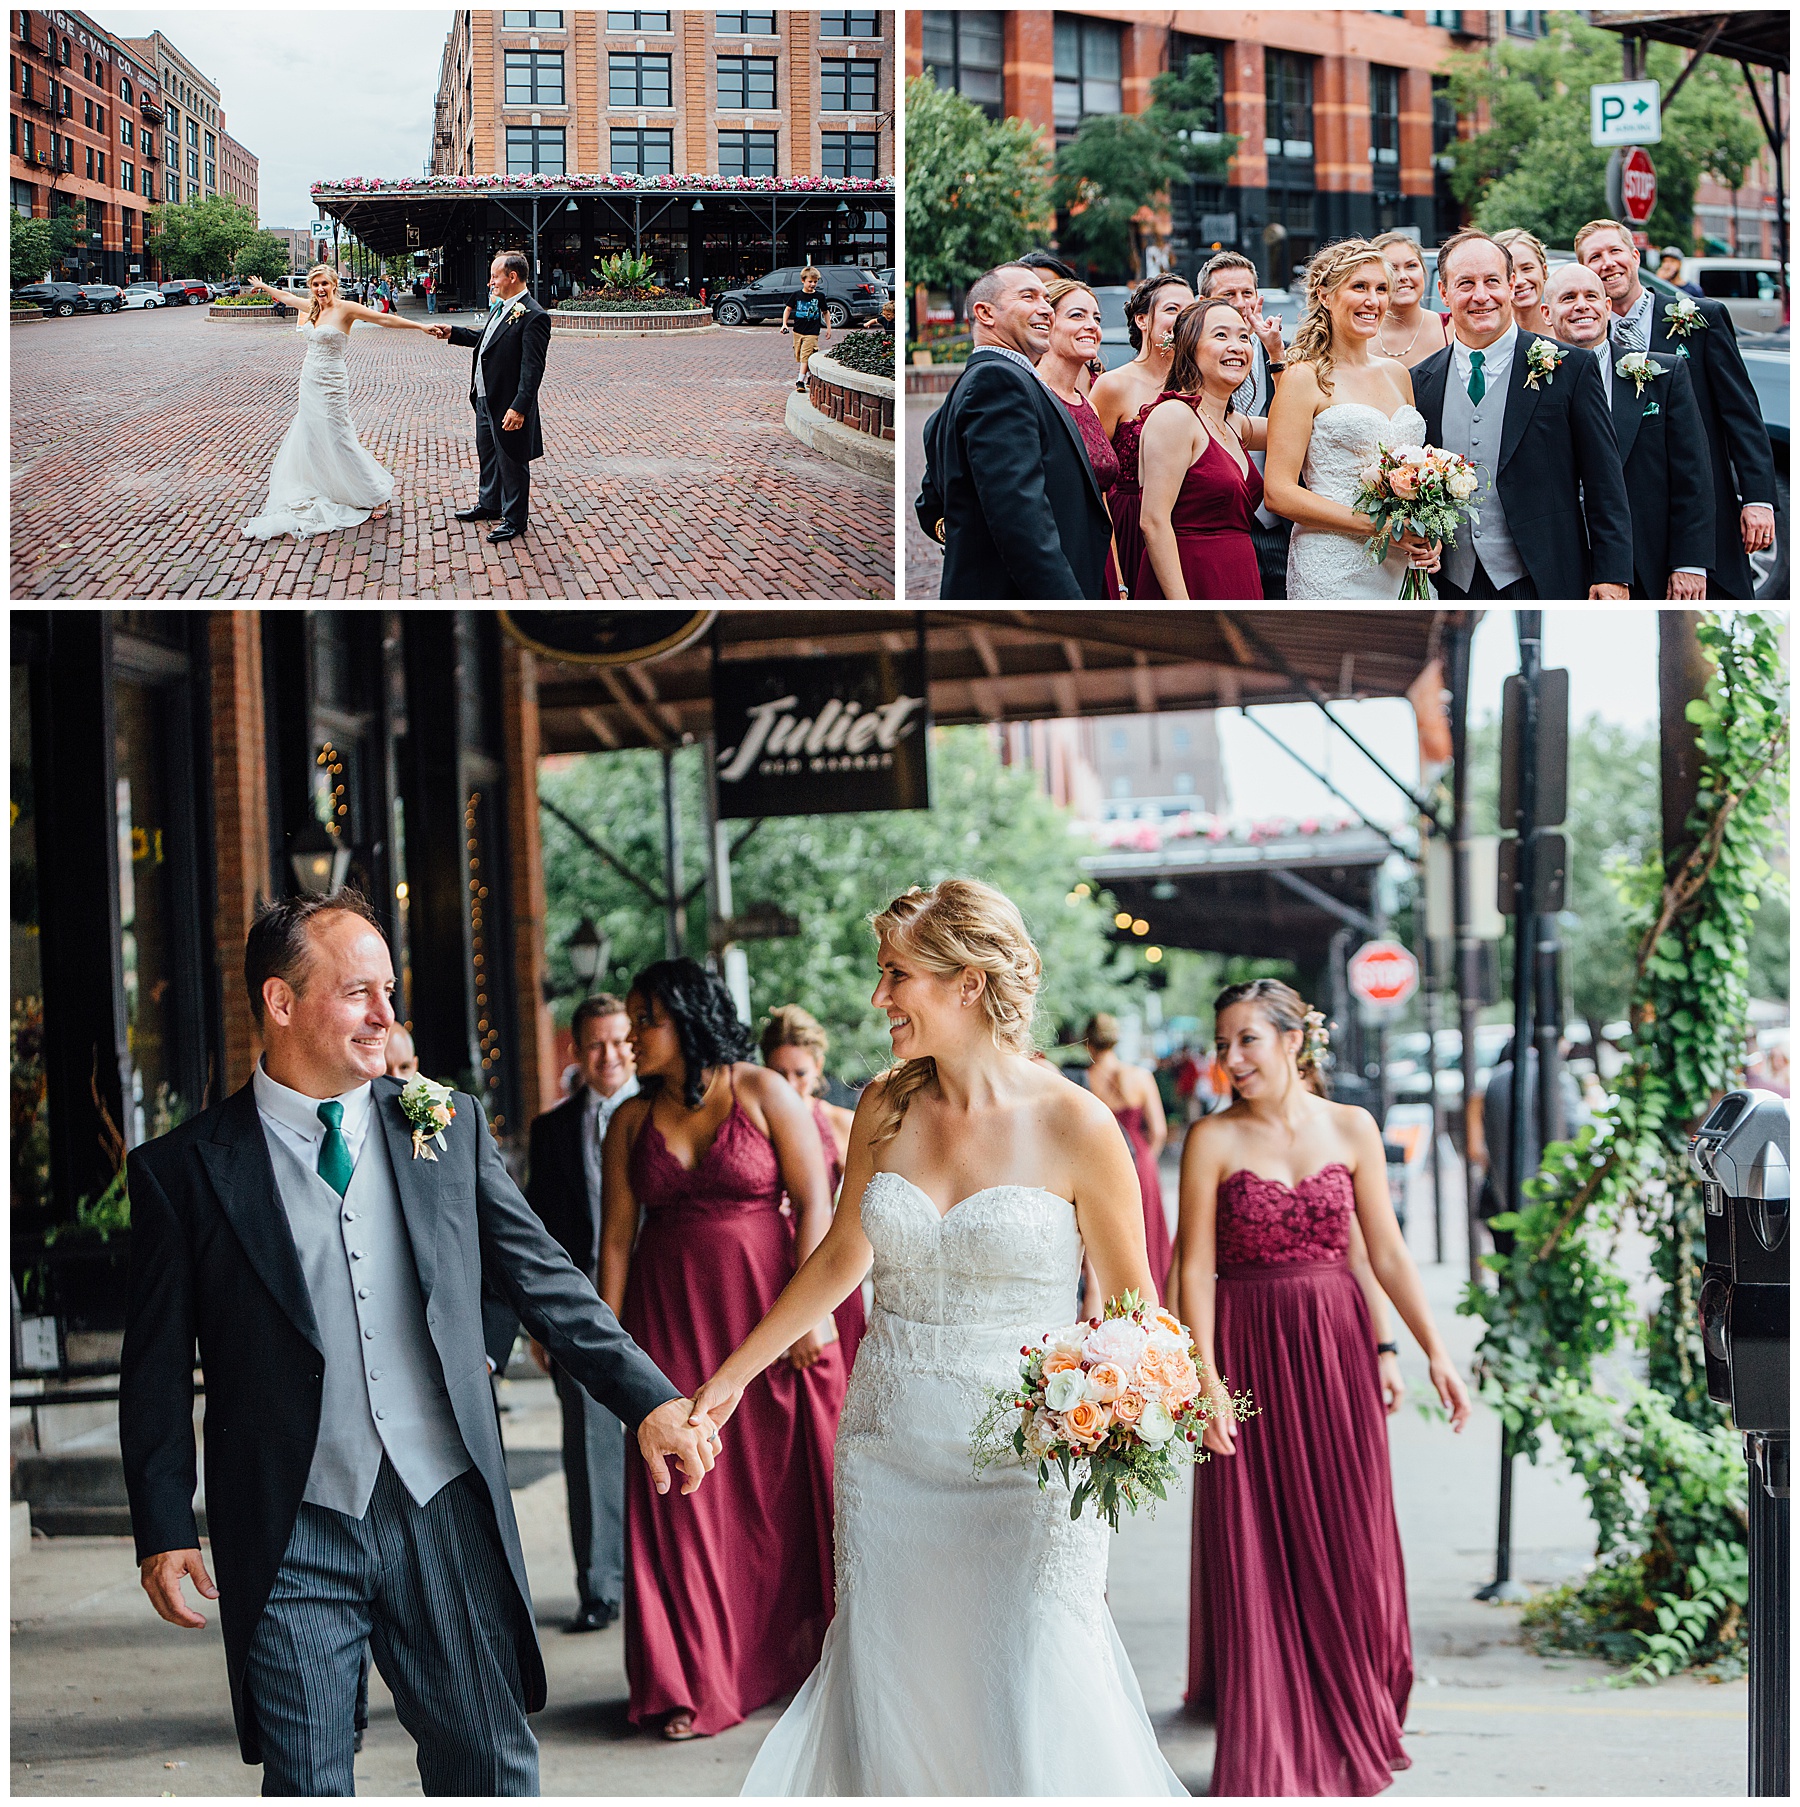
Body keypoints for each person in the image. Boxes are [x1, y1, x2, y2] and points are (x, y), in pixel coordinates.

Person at [118, 892, 717, 1797]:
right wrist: (162, 1524)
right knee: (309, 1780)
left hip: (443, 1505)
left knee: (489, 1765)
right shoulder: (184, 1170)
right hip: (292, 1522)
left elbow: (545, 1278)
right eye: (360, 992)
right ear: (281, 1003)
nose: (388, 1017)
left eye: (389, 991)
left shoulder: (443, 1123)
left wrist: (653, 1398)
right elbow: (155, 1364)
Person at [690, 879, 1185, 1795]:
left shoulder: (1078, 1123)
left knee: (1029, 1683)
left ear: (966, 981)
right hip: (889, 1451)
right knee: (898, 1689)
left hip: (1027, 1468)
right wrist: (729, 1379)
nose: (880, 998)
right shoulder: (884, 1106)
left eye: (897, 974)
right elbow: (841, 1257)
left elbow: (1133, 1317)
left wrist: (1119, 1416)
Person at [1171, 979, 1470, 1796]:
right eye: (1223, 1043)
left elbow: (1388, 1252)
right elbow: (1191, 1266)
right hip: (1247, 1350)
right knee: (1257, 1535)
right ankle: (1269, 1721)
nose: (1230, 1060)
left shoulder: (1355, 1127)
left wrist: (1426, 1349)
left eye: (1247, 1041)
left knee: (1347, 1530)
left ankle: (1350, 1703)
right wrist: (1203, 1381)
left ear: (1294, 1041)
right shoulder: (1211, 1139)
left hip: (1335, 1350)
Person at [600, 959, 846, 1742]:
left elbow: (815, 1204)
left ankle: (785, 1659)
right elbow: (613, 1244)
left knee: (776, 1496)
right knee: (683, 1493)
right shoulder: (629, 1122)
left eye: (647, 1019)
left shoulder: (763, 1090)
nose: (634, 1036)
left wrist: (810, 1315)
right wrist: (607, 1355)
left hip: (766, 1314)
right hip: (665, 1318)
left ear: (689, 1016)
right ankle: (693, 1677)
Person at [1412, 228, 1633, 600]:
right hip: (1449, 582)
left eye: (1492, 281)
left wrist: (1612, 574)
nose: (1481, 296)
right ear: (1445, 293)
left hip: (1544, 576)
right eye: (1465, 284)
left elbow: (1604, 481)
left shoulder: (1570, 368)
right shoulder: (1421, 380)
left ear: (1512, 285)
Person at [1575, 217, 1776, 599]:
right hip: (1633, 522)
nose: (1607, 263)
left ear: (1635, 256)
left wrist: (1757, 498)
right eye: (1594, 257)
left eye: (1615, 251)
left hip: (1704, 507)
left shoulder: (1702, 319)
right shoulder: (1582, 338)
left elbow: (1741, 414)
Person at [523, 995, 640, 1636]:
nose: (610, 1055)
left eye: (620, 1040)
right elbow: (538, 1236)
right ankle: (600, 1587)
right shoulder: (552, 1130)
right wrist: (541, 1324)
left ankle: (659, 1579)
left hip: (655, 1298)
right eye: (595, 1044)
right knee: (589, 1448)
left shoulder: (659, 1113)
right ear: (579, 1051)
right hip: (582, 1311)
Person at [913, 263, 1112, 599]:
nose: (1045, 309)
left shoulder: (993, 381)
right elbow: (1021, 520)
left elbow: (936, 499)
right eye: (1028, 296)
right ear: (985, 313)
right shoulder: (998, 381)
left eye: (1047, 300)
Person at [1265, 239, 1441, 599]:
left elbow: (1412, 476)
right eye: (1358, 287)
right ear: (1325, 296)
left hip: (1400, 565)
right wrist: (1384, 525)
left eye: (1381, 289)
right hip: (1333, 565)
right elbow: (1278, 493)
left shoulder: (1398, 374)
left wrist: (1427, 533)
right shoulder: (1302, 378)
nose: (1372, 301)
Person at [1543, 262, 1713, 600]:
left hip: (1649, 558)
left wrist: (1690, 563)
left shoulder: (1664, 374)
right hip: (1561, 563)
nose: (1581, 305)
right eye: (1568, 298)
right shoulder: (1533, 382)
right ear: (1547, 313)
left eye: (1591, 296)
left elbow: (1693, 474)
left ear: (1607, 308)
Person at [240, 265, 437, 540]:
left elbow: (385, 320)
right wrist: (264, 287)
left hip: (332, 383)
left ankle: (374, 494)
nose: (320, 289)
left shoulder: (346, 309)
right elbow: (286, 297)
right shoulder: (311, 308)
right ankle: (329, 486)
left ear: (334, 284)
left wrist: (421, 326)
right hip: (309, 380)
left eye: (324, 284)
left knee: (339, 437)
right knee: (311, 436)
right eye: (315, 285)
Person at [1136, 297, 1267, 600]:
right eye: (1221, 335)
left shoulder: (1233, 423)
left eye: (1243, 337)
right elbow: (1153, 522)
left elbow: (1295, 427)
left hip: (1239, 573)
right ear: (1189, 347)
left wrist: (1275, 355)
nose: (1236, 346)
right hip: (1191, 577)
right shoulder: (1176, 416)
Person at [760, 1004, 865, 1372]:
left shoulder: (843, 1125)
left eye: (800, 1073)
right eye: (778, 1073)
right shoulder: (753, 1126)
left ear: (818, 1067)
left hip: (824, 1266)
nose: (790, 1085)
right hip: (766, 1266)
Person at [428, 250, 551, 546]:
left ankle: (515, 520)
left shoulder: (534, 315)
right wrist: (452, 333)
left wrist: (519, 407)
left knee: (512, 459)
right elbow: (485, 339)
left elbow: (532, 369)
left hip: (508, 403)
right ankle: (489, 504)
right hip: (484, 397)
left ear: (512, 276)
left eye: (495, 276)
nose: (490, 282)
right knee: (489, 455)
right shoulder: (501, 308)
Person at [1193, 251, 1295, 599]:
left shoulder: (1288, 354)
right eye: (1227, 296)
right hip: (1218, 528)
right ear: (1203, 303)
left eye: (1247, 294)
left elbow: (1300, 428)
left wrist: (1276, 355)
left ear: (1259, 297)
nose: (1240, 304)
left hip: (1281, 523)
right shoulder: (1190, 365)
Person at [1091, 272, 1193, 597]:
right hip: (1132, 527)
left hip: (1189, 525)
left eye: (1190, 312)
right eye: (1172, 309)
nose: (1182, 320)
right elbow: (1094, 485)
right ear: (1142, 320)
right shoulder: (1113, 386)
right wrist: (1116, 577)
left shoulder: (1199, 386)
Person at [1038, 279, 1127, 597]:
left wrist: (1118, 580)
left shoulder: (1086, 402)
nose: (1091, 326)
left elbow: (1102, 501)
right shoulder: (1032, 397)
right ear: (1045, 322)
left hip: (1098, 558)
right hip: (1055, 563)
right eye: (1077, 316)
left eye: (1097, 318)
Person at [1476, 1037, 1591, 1259]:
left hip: (1503, 1190)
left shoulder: (1494, 1079)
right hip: (1547, 1192)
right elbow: (1577, 1131)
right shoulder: (1555, 1077)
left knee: (1511, 1260)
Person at [1082, 1013, 1171, 1290]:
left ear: (1089, 1044)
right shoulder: (1141, 1077)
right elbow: (1158, 1131)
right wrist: (1145, 1160)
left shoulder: (1082, 1081)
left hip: (1102, 1165)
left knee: (1110, 1235)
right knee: (1147, 1236)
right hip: (1140, 1162)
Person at [1370, 230, 1453, 368]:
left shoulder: (1452, 327)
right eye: (1392, 268)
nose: (1403, 276)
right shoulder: (1360, 336)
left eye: (1411, 266)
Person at [1493, 228, 1555, 338]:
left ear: (1544, 271)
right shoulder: (1488, 339)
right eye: (1510, 273)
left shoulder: (1567, 331)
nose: (1519, 281)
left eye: (1527, 268)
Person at [781, 266, 830, 394]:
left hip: (812, 332)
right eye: (810, 281)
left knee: (805, 355)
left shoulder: (819, 296)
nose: (813, 284)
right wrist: (784, 324)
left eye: (815, 282)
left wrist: (829, 328)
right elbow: (788, 309)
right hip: (798, 331)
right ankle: (810, 377)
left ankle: (800, 381)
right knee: (800, 355)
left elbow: (825, 312)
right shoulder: (797, 295)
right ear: (803, 280)